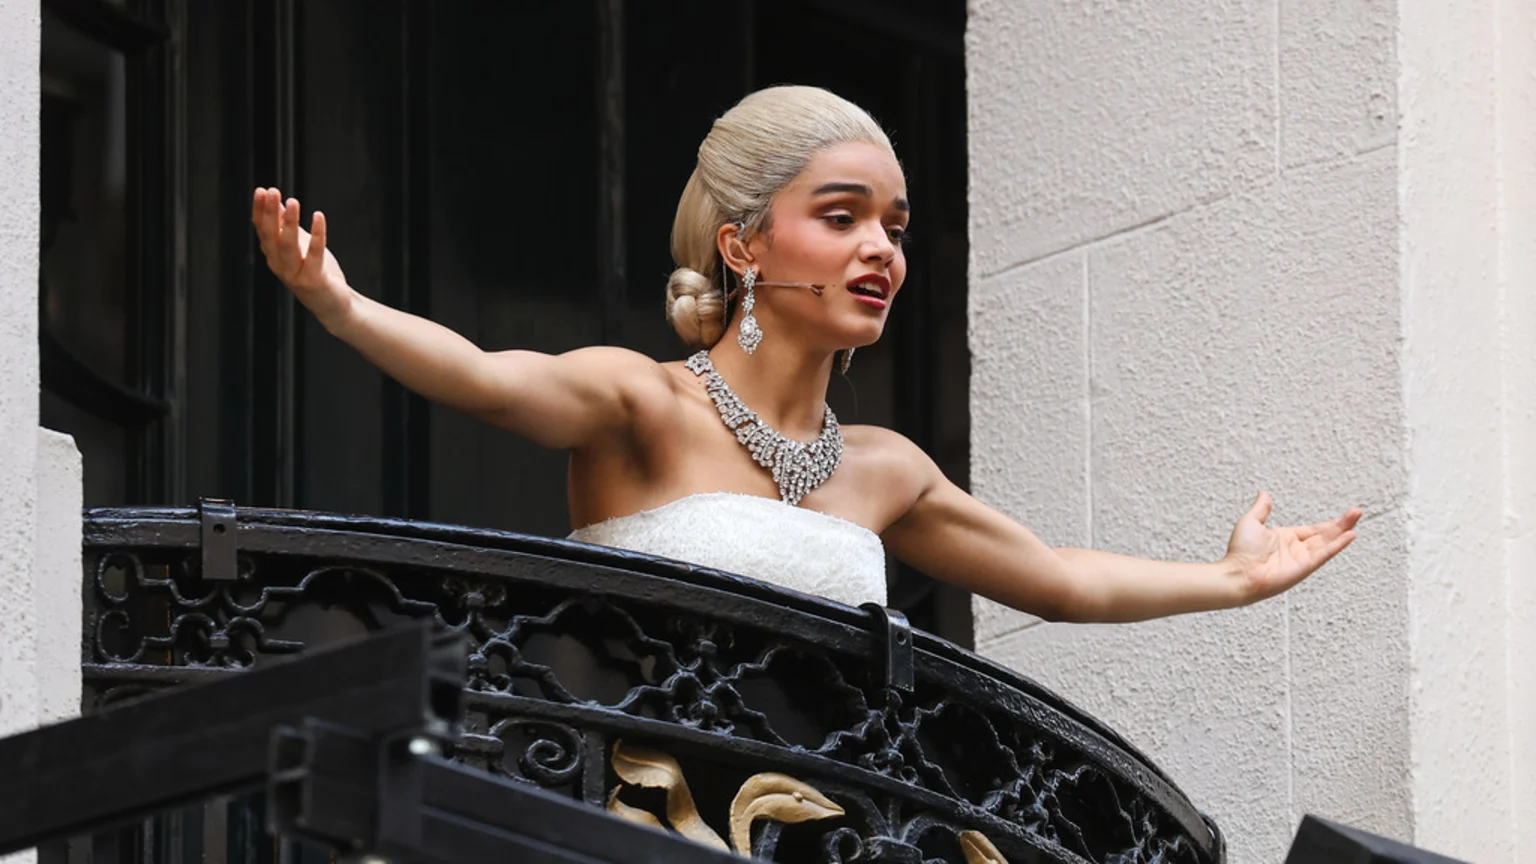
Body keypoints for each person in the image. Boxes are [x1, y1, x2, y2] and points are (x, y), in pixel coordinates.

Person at [251, 85, 1360, 619]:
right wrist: (342, 307)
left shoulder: (886, 468)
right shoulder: (642, 404)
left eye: (895, 224)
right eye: (842, 216)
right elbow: (486, 380)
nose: (880, 247)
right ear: (742, 244)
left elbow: (1061, 583)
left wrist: (1230, 579)